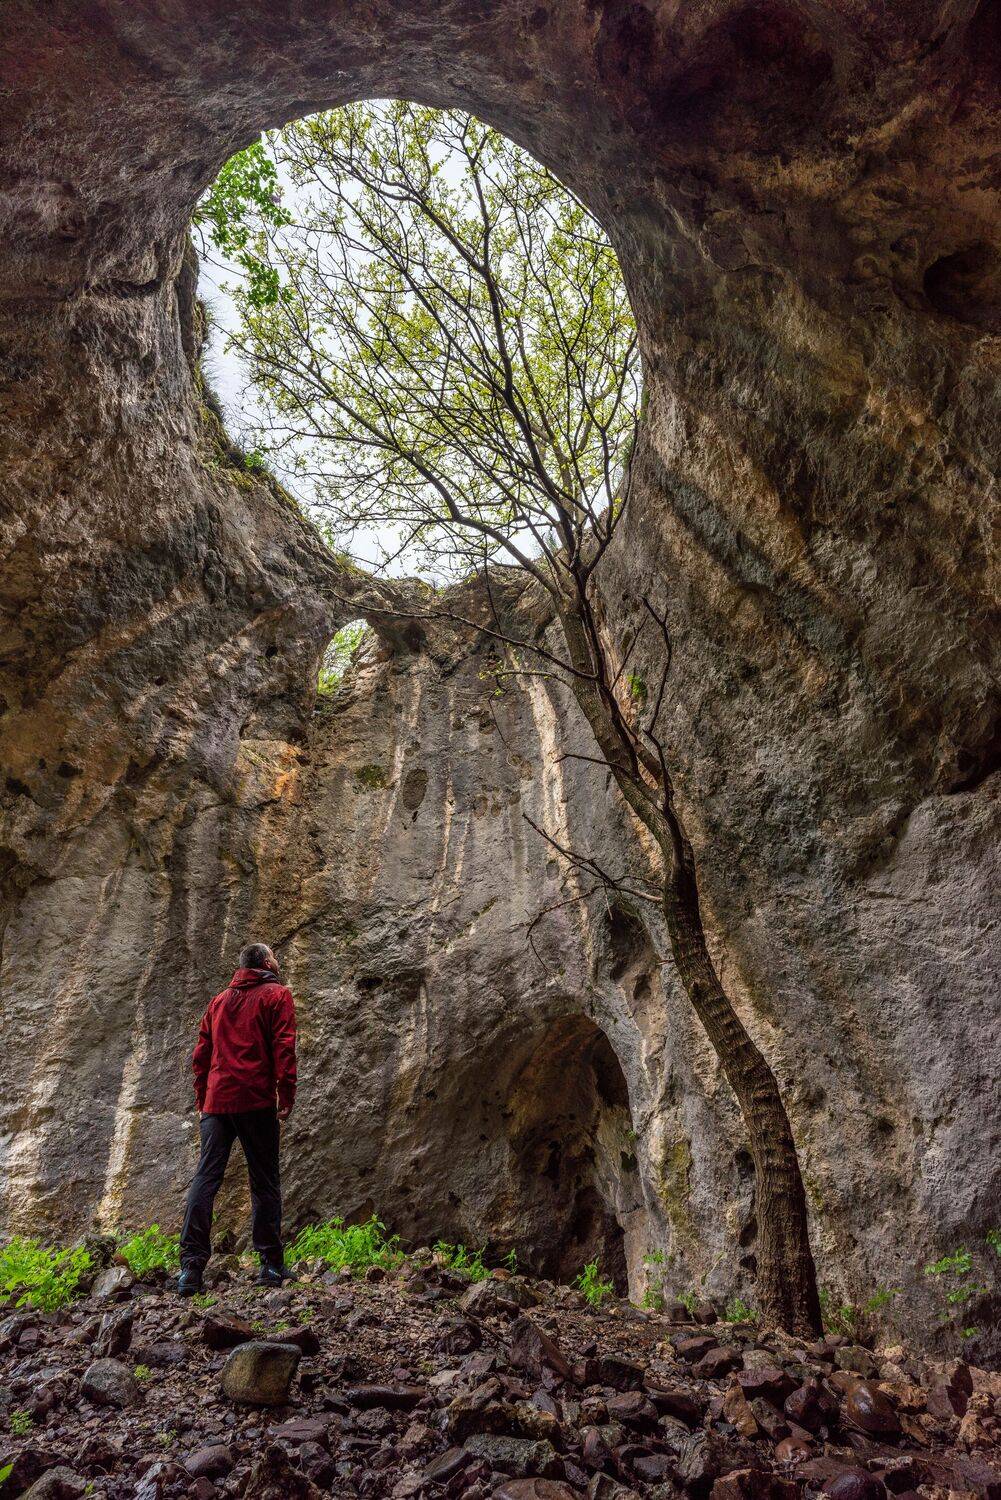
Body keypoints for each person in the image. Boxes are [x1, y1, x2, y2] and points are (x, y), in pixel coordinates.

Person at [177, 942, 297, 1295]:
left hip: (216, 1104)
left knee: (205, 1179)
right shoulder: (277, 995)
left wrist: (203, 1099)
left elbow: (202, 1054)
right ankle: (271, 1266)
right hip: (255, 1101)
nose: (277, 959)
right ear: (265, 962)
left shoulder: (218, 1001)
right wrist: (285, 1093)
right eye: (273, 955)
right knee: (264, 1181)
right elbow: (284, 1048)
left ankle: (190, 1269)